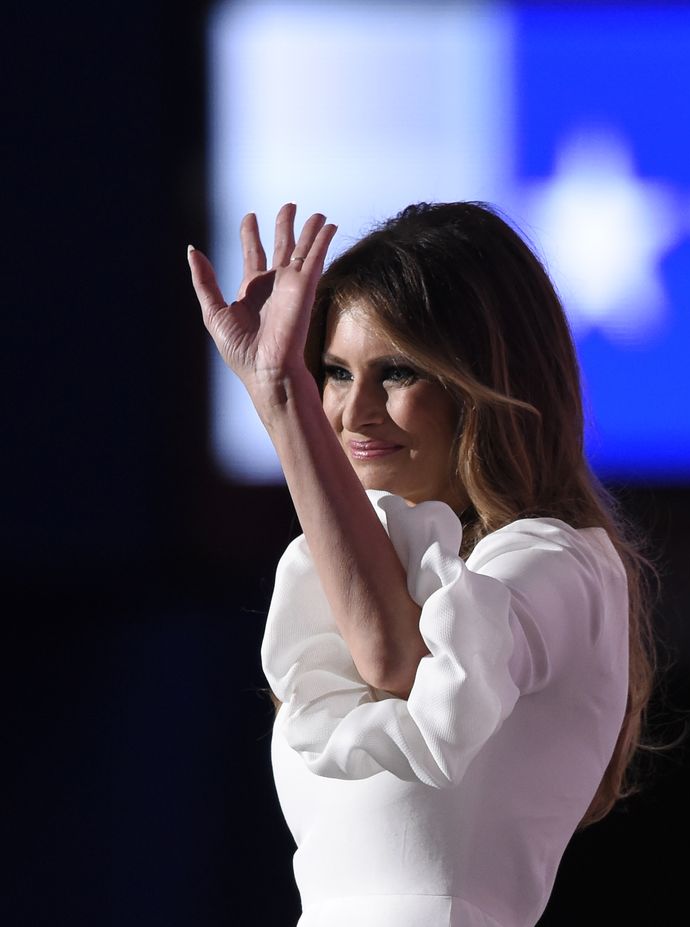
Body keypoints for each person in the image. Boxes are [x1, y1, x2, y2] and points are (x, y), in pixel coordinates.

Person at [187, 201, 657, 927]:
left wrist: (283, 398)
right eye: (335, 373)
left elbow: (402, 662)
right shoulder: (377, 571)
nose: (352, 411)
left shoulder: (561, 565)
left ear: (486, 384)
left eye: (398, 372)